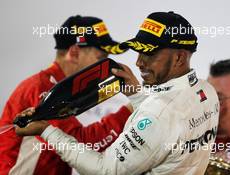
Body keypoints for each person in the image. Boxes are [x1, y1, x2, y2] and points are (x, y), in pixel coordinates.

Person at [15, 11, 220, 174]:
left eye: (148, 53)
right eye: (102, 54)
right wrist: (139, 100)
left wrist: (46, 131)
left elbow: (104, 168)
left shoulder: (158, 113)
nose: (138, 62)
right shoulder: (207, 91)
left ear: (179, 58)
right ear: (75, 52)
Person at [0, 15, 132, 175]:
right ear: (75, 53)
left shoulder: (58, 87)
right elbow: (83, 144)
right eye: (101, 58)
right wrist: (132, 108)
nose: (105, 65)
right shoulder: (41, 87)